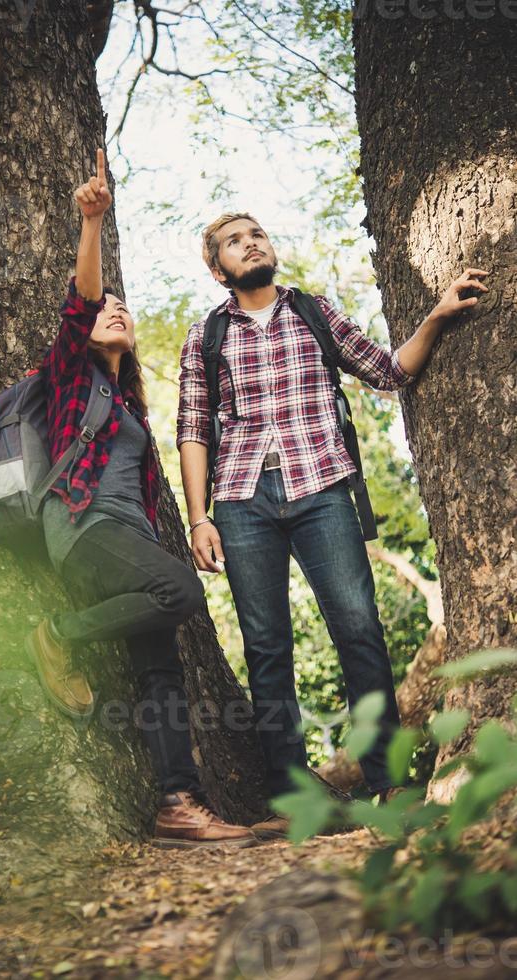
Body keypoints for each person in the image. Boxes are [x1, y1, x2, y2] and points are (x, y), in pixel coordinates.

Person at [177, 211, 489, 838]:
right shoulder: (204, 337)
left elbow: (388, 371)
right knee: (267, 650)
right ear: (218, 270)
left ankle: (388, 784)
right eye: (235, 242)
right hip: (241, 502)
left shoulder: (312, 312)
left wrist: (437, 313)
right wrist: (198, 518)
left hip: (322, 490)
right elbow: (192, 431)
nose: (252, 242)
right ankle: (296, 802)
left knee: (358, 629)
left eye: (256, 233)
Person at [27, 155, 257, 849]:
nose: (114, 314)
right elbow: (82, 297)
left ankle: (177, 804)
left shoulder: (128, 404)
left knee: (161, 669)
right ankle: (56, 636)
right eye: (107, 313)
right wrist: (92, 221)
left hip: (125, 539)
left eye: (123, 312)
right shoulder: (71, 373)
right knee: (181, 591)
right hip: (83, 527)